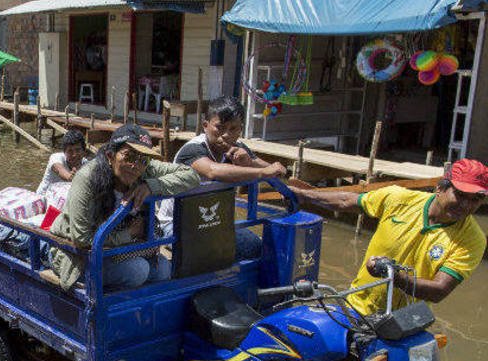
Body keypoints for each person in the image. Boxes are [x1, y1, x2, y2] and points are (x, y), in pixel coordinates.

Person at [290, 159, 488, 315]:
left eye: (476, 199)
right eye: (460, 195)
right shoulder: (398, 199)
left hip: (405, 320)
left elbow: (439, 290)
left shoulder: (472, 239)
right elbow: (345, 200)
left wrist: (392, 274)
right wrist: (303, 195)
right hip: (357, 307)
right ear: (440, 188)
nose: (466, 205)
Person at [50, 124, 200, 292]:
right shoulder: (87, 178)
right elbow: (82, 239)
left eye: (142, 159)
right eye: (128, 157)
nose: (135, 165)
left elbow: (191, 175)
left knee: (163, 269)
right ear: (110, 156)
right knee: (138, 270)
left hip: (120, 250)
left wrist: (152, 186)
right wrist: (129, 234)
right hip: (77, 256)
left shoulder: (145, 169)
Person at [170, 96, 287, 258]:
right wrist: (262, 173)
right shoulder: (193, 150)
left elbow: (272, 169)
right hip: (176, 225)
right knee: (218, 250)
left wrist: (251, 164)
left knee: (259, 246)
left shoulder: (237, 148)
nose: (225, 135)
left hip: (210, 223)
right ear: (205, 126)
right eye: (220, 127)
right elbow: (213, 171)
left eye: (233, 129)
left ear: (240, 130)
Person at [36, 129, 88, 195]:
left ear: (84, 151)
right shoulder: (56, 158)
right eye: (70, 151)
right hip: (43, 199)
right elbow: (60, 171)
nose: (74, 154)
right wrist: (71, 177)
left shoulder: (87, 165)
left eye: (78, 150)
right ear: (64, 152)